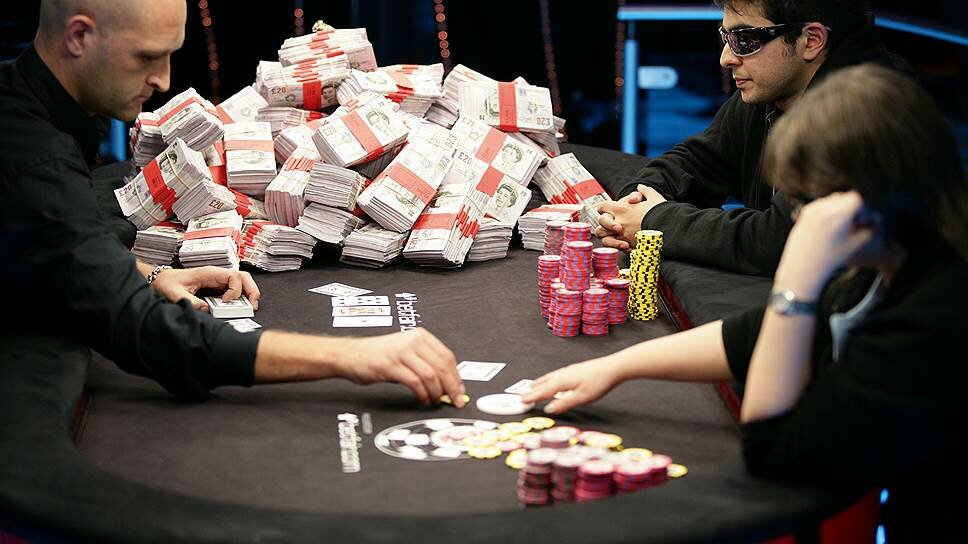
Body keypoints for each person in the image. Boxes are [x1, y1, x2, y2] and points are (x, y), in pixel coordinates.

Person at [525, 65, 968, 541]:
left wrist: (796, 277)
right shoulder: (893, 265)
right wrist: (615, 368)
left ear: (864, 201)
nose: (795, 217)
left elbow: (773, 446)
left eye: (804, 200)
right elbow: (752, 335)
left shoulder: (935, 317)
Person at [0, 0, 465, 407]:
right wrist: (353, 355)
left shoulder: (24, 103)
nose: (163, 79)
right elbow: (154, 337)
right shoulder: (36, 160)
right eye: (147, 56)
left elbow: (46, 244)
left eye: (169, 54)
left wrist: (149, 274)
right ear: (79, 36)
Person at [597, 0, 894, 276]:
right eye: (726, 38)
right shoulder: (775, 87)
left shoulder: (868, 109)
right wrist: (634, 203)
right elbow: (698, 162)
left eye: (745, 41)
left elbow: (781, 240)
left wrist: (654, 222)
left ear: (811, 40)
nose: (726, 59)